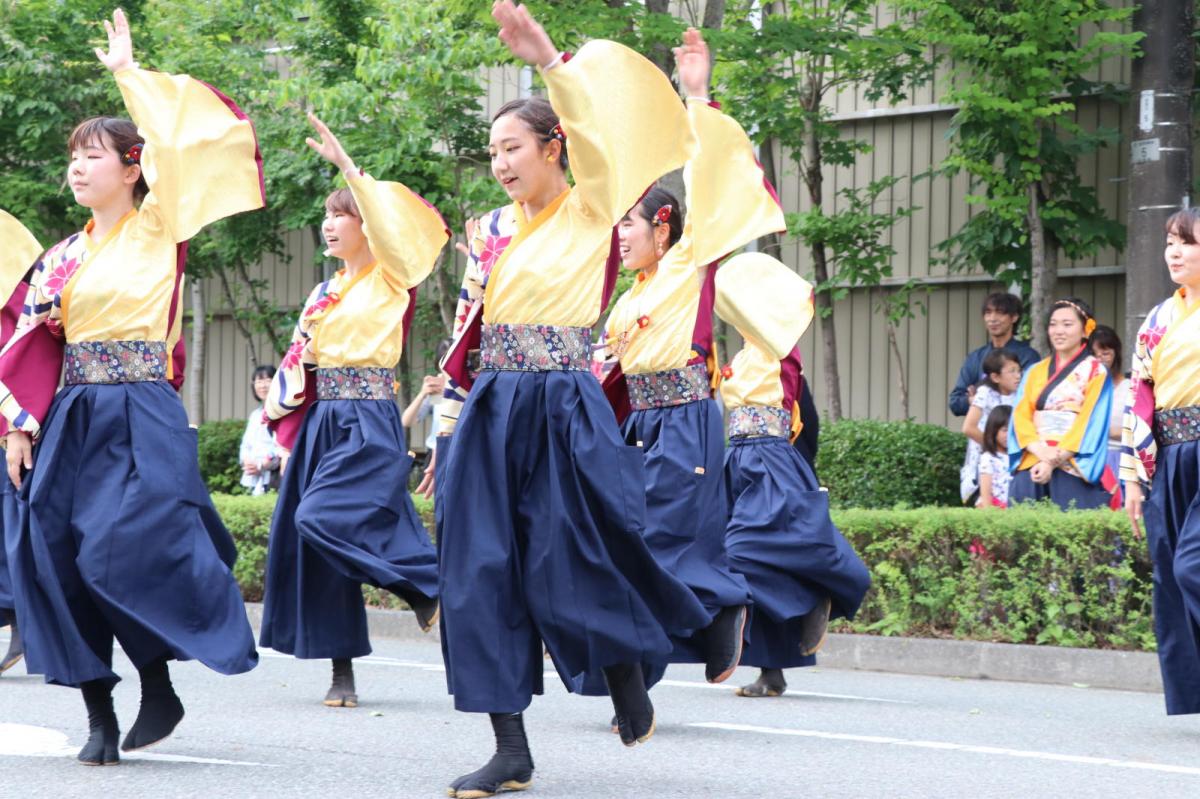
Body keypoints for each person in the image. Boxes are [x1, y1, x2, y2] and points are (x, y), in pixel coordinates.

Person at [431, 4, 714, 797]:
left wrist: (548, 59)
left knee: (570, 550)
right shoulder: (489, 231)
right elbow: (465, 332)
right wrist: (447, 426)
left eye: (512, 147)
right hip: (494, 405)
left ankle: (625, 662)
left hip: (562, 400)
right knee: (477, 567)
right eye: (492, 151)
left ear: (554, 148)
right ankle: (509, 746)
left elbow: (597, 137)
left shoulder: (593, 205)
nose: (500, 163)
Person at [0, 9, 260, 764]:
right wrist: (17, 425)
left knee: (123, 544)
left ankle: (156, 677)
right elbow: (24, 343)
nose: (78, 167)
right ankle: (100, 714)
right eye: (73, 157)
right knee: (57, 552)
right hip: (75, 414)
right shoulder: (60, 257)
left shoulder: (158, 228)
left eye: (95, 155)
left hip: (141, 406)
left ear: (132, 167)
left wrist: (126, 74)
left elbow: (178, 154)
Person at [584, 27, 777, 707]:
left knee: (658, 543)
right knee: (627, 544)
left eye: (630, 225)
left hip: (689, 420)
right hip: (642, 426)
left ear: (663, 225)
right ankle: (670, 650)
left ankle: (721, 609)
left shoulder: (691, 262)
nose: (622, 237)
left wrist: (696, 97)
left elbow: (714, 181)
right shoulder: (623, 301)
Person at [257, 113, 448, 708]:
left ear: (369, 226)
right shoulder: (322, 292)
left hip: (368, 418)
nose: (329, 224)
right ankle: (342, 671)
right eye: (327, 215)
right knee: (313, 541)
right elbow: (296, 365)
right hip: (322, 421)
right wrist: (284, 431)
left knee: (326, 518)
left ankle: (425, 584)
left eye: (342, 214)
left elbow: (406, 234)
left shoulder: (393, 278)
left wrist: (349, 170)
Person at [713, 252, 871, 700]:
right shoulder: (745, 354)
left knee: (742, 552)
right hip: (737, 460)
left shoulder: (777, 347)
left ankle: (818, 591)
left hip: (768, 459)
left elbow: (808, 421)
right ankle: (773, 671)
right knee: (755, 558)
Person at [1123, 207, 1200, 717]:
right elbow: (1139, 396)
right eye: (1170, 241)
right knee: (1171, 575)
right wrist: (1132, 476)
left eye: (1187, 242)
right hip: (1170, 455)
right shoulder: (1157, 318)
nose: (1174, 251)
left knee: (1194, 566)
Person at [1008, 297, 1113, 510]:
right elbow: (1021, 416)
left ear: (1085, 330)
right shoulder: (1034, 371)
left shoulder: (1096, 372)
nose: (1058, 331)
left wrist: (1052, 460)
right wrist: (1039, 451)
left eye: (1067, 324)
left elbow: (1090, 422)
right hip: (1033, 458)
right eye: (1053, 324)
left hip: (1071, 462)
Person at [0, 209, 42, 676]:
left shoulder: (5, 240)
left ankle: (23, 627)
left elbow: (17, 336)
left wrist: (15, 425)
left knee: (11, 529)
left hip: (6, 413)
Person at [948, 293, 1040, 417]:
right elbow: (955, 403)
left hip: (1014, 431)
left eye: (1000, 313)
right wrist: (973, 400)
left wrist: (980, 396)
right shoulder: (975, 357)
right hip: (980, 432)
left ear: (1014, 317)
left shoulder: (1028, 356)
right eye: (988, 313)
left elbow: (1028, 397)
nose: (992, 319)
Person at [959, 349, 1021, 502]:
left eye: (1019, 370)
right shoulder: (985, 393)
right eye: (1011, 371)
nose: (1018, 376)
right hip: (983, 462)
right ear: (995, 377)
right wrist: (995, 447)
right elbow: (969, 427)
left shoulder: (1019, 395)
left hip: (1009, 462)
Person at [401, 338, 452, 456]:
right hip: (435, 451)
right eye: (443, 365)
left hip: (459, 451)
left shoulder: (467, 386)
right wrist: (422, 394)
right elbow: (407, 421)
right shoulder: (437, 388)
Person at [1091, 324, 1129, 482]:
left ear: (1116, 353)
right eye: (1095, 355)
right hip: (1089, 460)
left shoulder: (1129, 388)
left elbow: (1139, 431)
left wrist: (1107, 431)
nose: (1100, 359)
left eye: (1105, 353)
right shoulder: (1082, 388)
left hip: (1120, 459)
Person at [239, 365, 282, 495]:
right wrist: (247, 461)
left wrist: (261, 465)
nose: (263, 386)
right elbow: (246, 445)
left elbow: (282, 445)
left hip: (274, 476)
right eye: (259, 381)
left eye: (268, 380)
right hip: (253, 477)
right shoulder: (255, 415)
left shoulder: (282, 412)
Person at [977, 405, 1013, 508]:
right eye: (1005, 430)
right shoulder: (988, 458)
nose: (1009, 435)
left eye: (1012, 430)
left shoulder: (1018, 456)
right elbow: (986, 494)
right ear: (993, 431)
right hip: (996, 509)